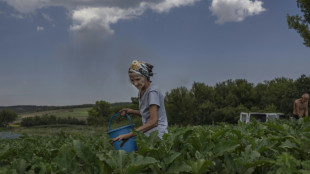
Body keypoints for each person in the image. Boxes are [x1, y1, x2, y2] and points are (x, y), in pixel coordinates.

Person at [112, 60, 168, 143]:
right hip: (148, 135)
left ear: (145, 76)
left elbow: (153, 122)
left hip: (158, 137)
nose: (135, 83)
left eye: (138, 79)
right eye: (132, 80)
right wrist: (131, 111)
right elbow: (147, 113)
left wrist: (129, 134)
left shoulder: (152, 92)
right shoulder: (142, 91)